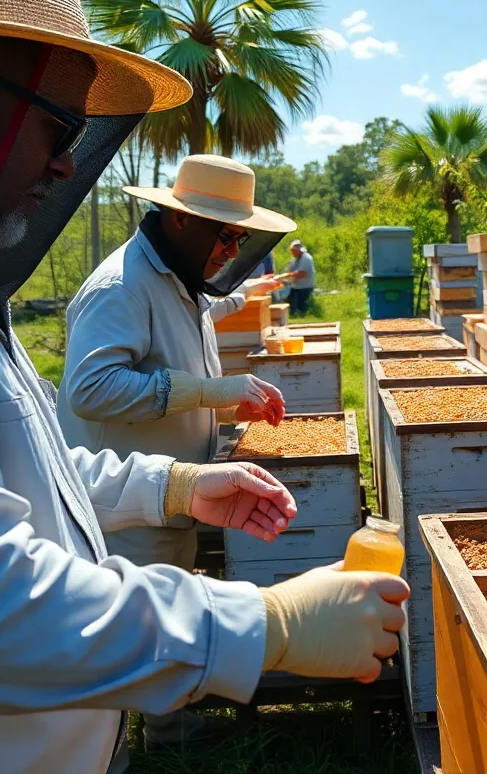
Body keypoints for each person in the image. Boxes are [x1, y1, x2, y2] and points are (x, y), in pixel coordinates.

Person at [0, 0, 408, 772]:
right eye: (58, 128)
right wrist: (265, 625)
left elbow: (13, 468)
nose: (62, 163)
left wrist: (174, 485)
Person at [57, 154, 289, 752]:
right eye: (224, 235)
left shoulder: (179, 280)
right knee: (136, 618)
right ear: (181, 220)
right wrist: (213, 392)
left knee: (168, 602)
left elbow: (182, 359)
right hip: (127, 501)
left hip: (171, 488)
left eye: (239, 239)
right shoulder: (121, 286)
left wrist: (225, 407)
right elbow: (90, 390)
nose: (229, 251)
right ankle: (132, 740)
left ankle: (168, 724)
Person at [283, 238, 316, 315]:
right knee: (288, 305)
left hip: (304, 288)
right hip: (296, 287)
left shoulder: (306, 258)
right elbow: (290, 270)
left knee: (299, 308)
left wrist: (287, 278)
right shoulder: (295, 259)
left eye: (293, 251)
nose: (292, 253)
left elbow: (301, 274)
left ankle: (303, 314)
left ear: (298, 250)